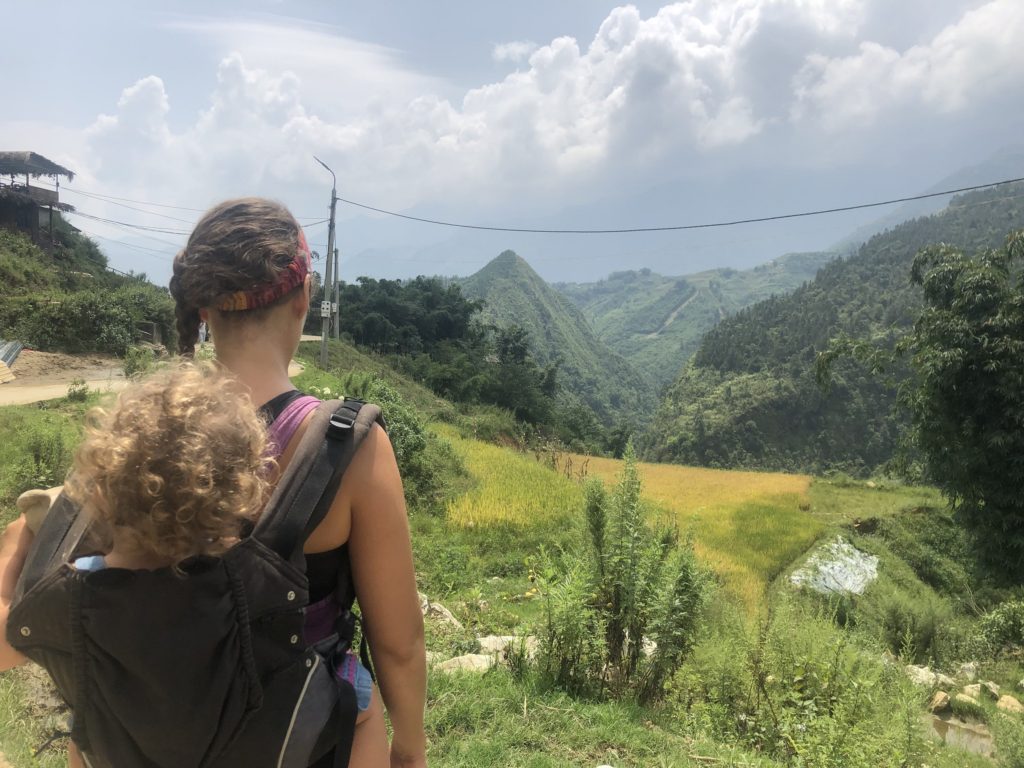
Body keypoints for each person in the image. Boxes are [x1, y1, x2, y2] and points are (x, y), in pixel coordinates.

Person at [1, 197, 427, 768]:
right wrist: (411, 749)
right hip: (300, 742)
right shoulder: (345, 447)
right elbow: (398, 643)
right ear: (303, 299)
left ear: (202, 309)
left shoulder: (137, 441)